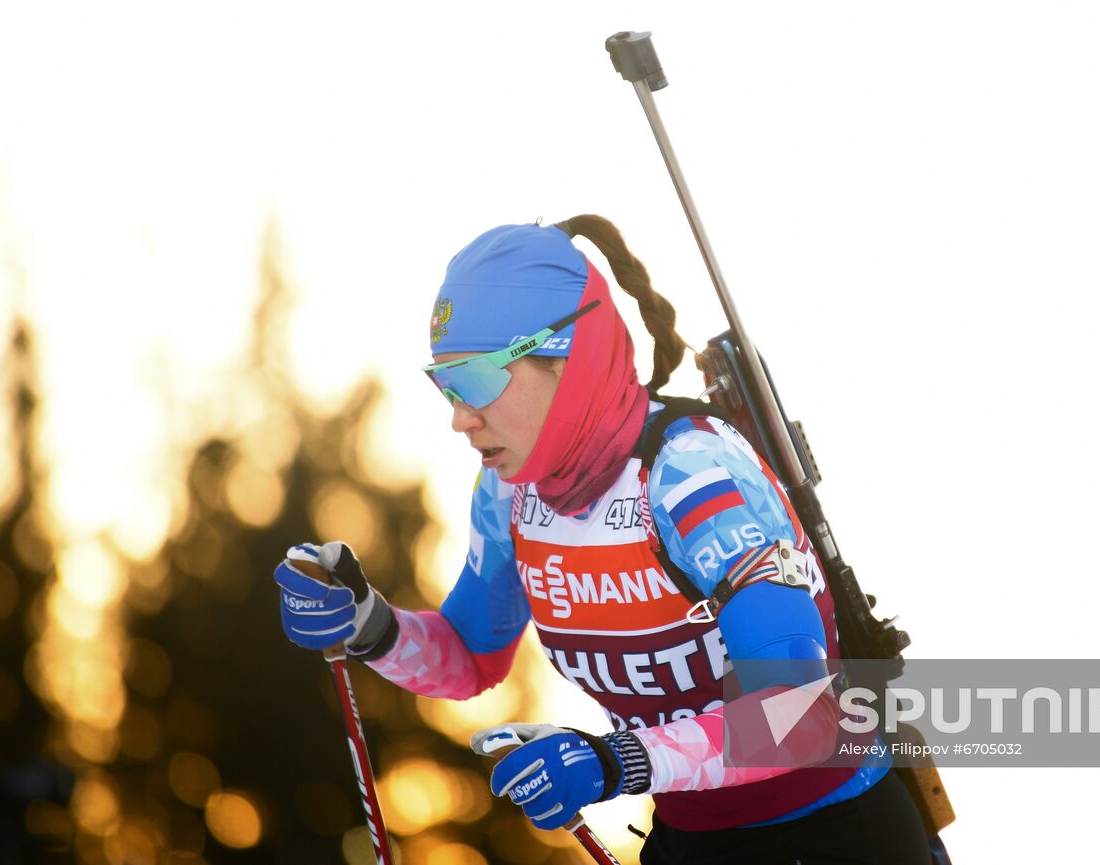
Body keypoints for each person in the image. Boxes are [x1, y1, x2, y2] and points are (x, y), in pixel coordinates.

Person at [272, 216, 931, 864]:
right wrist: (368, 625)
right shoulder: (510, 494)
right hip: (695, 842)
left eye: (474, 380)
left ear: (570, 358)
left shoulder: (690, 474)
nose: (460, 418)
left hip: (833, 836)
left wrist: (616, 761)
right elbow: (470, 656)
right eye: (445, 386)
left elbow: (803, 715)